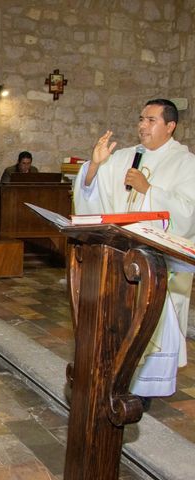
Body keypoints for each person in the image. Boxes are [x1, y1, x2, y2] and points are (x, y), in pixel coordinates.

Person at [73, 98, 195, 399]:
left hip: (157, 263)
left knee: (151, 321)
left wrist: (148, 191)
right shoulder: (125, 157)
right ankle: (115, 375)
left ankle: (145, 389)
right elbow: (91, 193)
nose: (142, 125)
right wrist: (96, 166)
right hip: (120, 258)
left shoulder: (186, 163)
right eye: (141, 119)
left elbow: (188, 213)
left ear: (170, 126)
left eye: (150, 120)